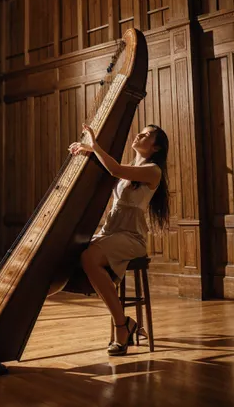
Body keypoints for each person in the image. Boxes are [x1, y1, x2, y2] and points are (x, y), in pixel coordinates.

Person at [68, 123, 170, 356]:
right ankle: (124, 321)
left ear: (155, 148)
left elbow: (113, 169)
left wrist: (94, 145)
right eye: (140, 132)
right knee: (73, 249)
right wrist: (88, 151)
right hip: (111, 232)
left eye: (145, 135)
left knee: (89, 256)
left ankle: (121, 326)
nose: (139, 135)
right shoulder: (131, 167)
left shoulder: (153, 170)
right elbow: (111, 169)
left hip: (131, 238)